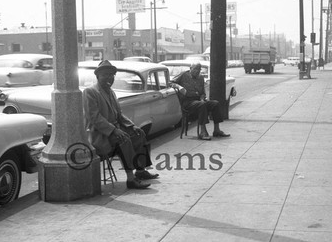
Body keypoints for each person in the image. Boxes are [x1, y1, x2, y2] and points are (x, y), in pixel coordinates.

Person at [83, 60, 159, 189]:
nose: (109, 78)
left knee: (139, 134)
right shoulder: (90, 92)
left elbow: (119, 114)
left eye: (111, 75)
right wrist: (113, 130)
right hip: (100, 134)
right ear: (97, 76)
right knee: (124, 139)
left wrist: (132, 126)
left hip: (114, 130)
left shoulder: (111, 92)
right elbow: (95, 118)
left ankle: (140, 171)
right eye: (105, 75)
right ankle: (131, 179)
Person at [171, 62, 230, 141]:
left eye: (198, 69)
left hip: (198, 100)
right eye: (195, 69)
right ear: (190, 68)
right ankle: (203, 132)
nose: (197, 71)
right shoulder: (183, 75)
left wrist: (202, 98)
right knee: (202, 105)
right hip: (187, 102)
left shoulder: (201, 78)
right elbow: (170, 82)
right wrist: (179, 87)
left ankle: (217, 130)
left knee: (215, 103)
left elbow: (202, 93)